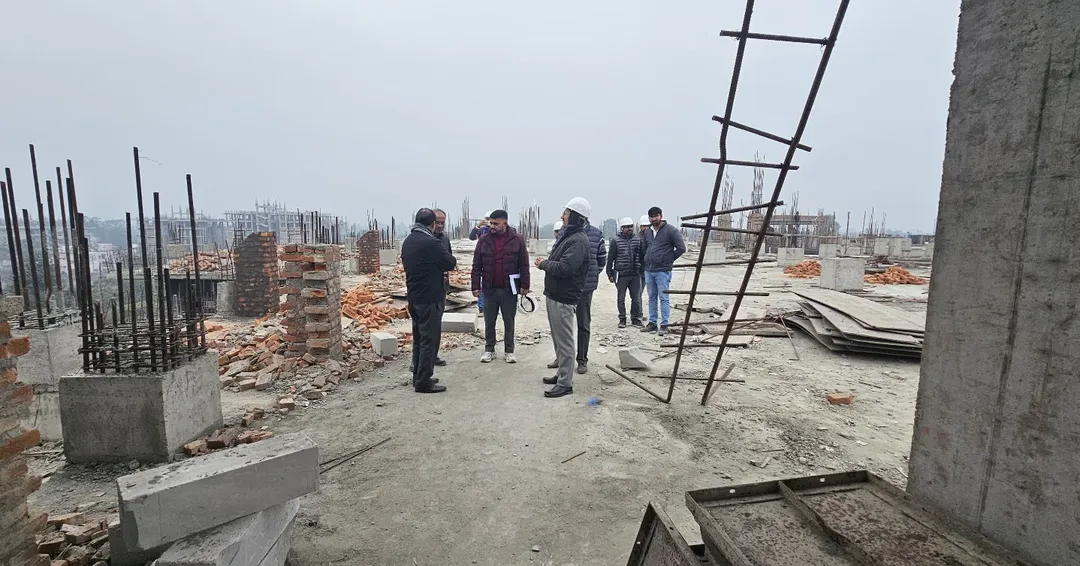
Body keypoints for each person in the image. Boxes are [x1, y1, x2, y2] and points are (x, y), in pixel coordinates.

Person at [535, 198, 590, 398]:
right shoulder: (569, 237)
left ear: (574, 216)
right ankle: (561, 374)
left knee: (565, 342)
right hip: (555, 294)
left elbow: (565, 268)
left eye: (566, 213)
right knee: (558, 339)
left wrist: (543, 264)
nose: (562, 216)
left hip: (564, 297)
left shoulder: (578, 240)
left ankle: (565, 383)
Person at [401, 208, 457, 393]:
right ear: (432, 224)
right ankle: (424, 381)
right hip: (430, 297)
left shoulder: (408, 241)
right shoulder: (431, 242)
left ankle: (418, 376)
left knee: (419, 338)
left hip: (414, 296)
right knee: (429, 340)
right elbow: (450, 262)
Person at [471, 209, 530, 364]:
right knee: (489, 320)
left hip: (509, 288)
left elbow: (524, 264)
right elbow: (476, 265)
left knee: (509, 321)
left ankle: (509, 351)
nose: (492, 226)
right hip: (489, 287)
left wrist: (525, 285)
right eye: (491, 223)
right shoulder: (484, 240)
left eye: (496, 223)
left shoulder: (517, 240)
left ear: (505, 223)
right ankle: (489, 349)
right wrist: (475, 286)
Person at [641, 206, 686, 336]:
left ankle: (665, 325)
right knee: (652, 297)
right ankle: (652, 323)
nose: (654, 219)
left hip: (662, 271)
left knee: (663, 298)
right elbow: (645, 248)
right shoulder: (648, 232)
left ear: (661, 216)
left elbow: (681, 248)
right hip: (649, 270)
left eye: (656, 216)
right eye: (651, 217)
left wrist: (668, 260)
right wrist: (646, 260)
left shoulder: (670, 230)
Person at [607, 217, 643, 328]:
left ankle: (635, 319)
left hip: (635, 274)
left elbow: (641, 257)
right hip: (621, 274)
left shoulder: (637, 240)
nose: (629, 229)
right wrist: (609, 273)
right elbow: (610, 258)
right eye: (626, 227)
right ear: (622, 228)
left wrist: (641, 269)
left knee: (636, 299)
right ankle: (622, 319)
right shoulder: (615, 241)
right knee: (621, 298)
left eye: (630, 226)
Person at [430, 209, 451, 367]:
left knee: (437, 324)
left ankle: (433, 355)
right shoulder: (424, 239)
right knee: (423, 326)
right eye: (437, 222)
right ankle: (418, 360)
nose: (440, 225)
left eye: (442, 222)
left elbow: (449, 261)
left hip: (441, 288)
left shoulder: (444, 239)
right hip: (426, 289)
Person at [469, 211, 493, 314]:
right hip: (483, 258)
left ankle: (493, 306)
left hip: (494, 259)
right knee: (483, 284)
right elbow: (471, 237)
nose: (489, 222)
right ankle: (482, 307)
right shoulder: (482, 230)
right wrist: (478, 226)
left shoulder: (499, 230)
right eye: (487, 219)